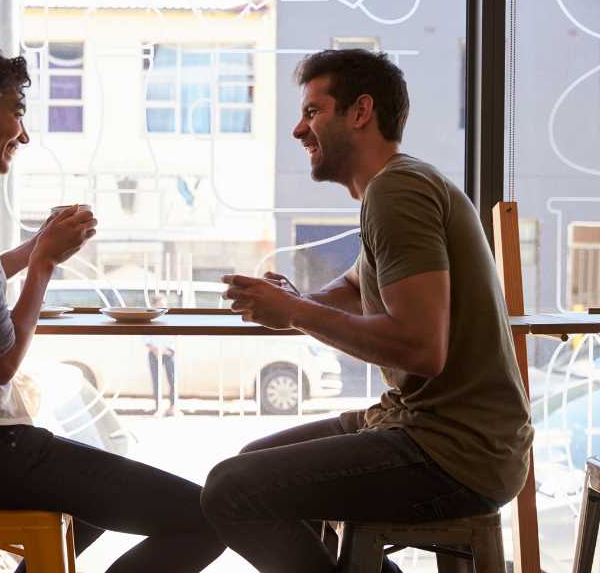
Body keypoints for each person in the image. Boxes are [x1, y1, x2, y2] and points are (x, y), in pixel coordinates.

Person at [0, 40, 223, 572]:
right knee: (203, 517)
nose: (25, 132)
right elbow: (1, 363)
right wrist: (44, 265)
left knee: (96, 496)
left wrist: (38, 245)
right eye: (16, 110)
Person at [200, 49, 533, 572]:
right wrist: (297, 300)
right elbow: (358, 285)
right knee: (247, 467)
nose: (298, 130)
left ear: (360, 112)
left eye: (313, 112)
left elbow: (422, 349)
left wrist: (293, 312)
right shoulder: (397, 187)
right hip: (426, 427)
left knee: (231, 491)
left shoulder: (396, 192)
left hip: (455, 450)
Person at [144, 294, 180, 416]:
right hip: (154, 353)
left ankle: (173, 407)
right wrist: (155, 350)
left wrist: (166, 350)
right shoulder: (149, 319)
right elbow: (146, 338)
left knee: (173, 380)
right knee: (156, 381)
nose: (162, 307)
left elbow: (175, 336)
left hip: (169, 353)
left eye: (164, 305)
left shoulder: (171, 318)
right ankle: (158, 408)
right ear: (154, 306)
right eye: (159, 305)